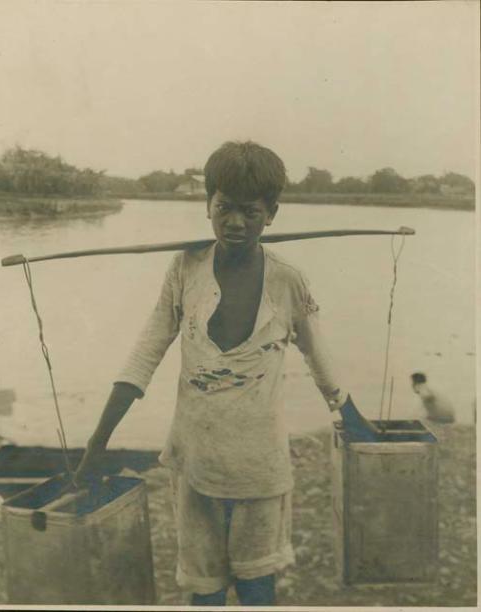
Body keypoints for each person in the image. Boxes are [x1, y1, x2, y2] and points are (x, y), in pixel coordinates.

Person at [75, 141, 376, 606]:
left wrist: (353, 418)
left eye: (250, 212)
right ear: (207, 206)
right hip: (194, 461)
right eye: (225, 209)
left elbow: (320, 359)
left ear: (272, 214)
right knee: (205, 590)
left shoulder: (287, 281)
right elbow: (144, 355)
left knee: (257, 587)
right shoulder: (185, 269)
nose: (235, 222)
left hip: (260, 465)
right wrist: (97, 442)